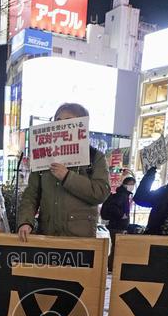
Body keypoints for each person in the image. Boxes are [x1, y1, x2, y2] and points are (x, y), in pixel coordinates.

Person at [17, 103, 110, 241]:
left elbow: (101, 192)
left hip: (80, 239)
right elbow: (31, 194)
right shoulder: (44, 157)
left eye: (68, 122)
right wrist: (25, 221)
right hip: (47, 236)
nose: (60, 125)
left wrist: (67, 177)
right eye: (57, 121)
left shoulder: (94, 157)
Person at [100, 176, 135, 272]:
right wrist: (122, 215)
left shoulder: (123, 194)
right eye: (131, 184)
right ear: (127, 184)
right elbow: (113, 207)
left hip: (116, 225)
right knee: (116, 248)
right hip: (117, 226)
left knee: (115, 247)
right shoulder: (122, 195)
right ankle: (111, 267)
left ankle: (111, 266)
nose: (132, 186)